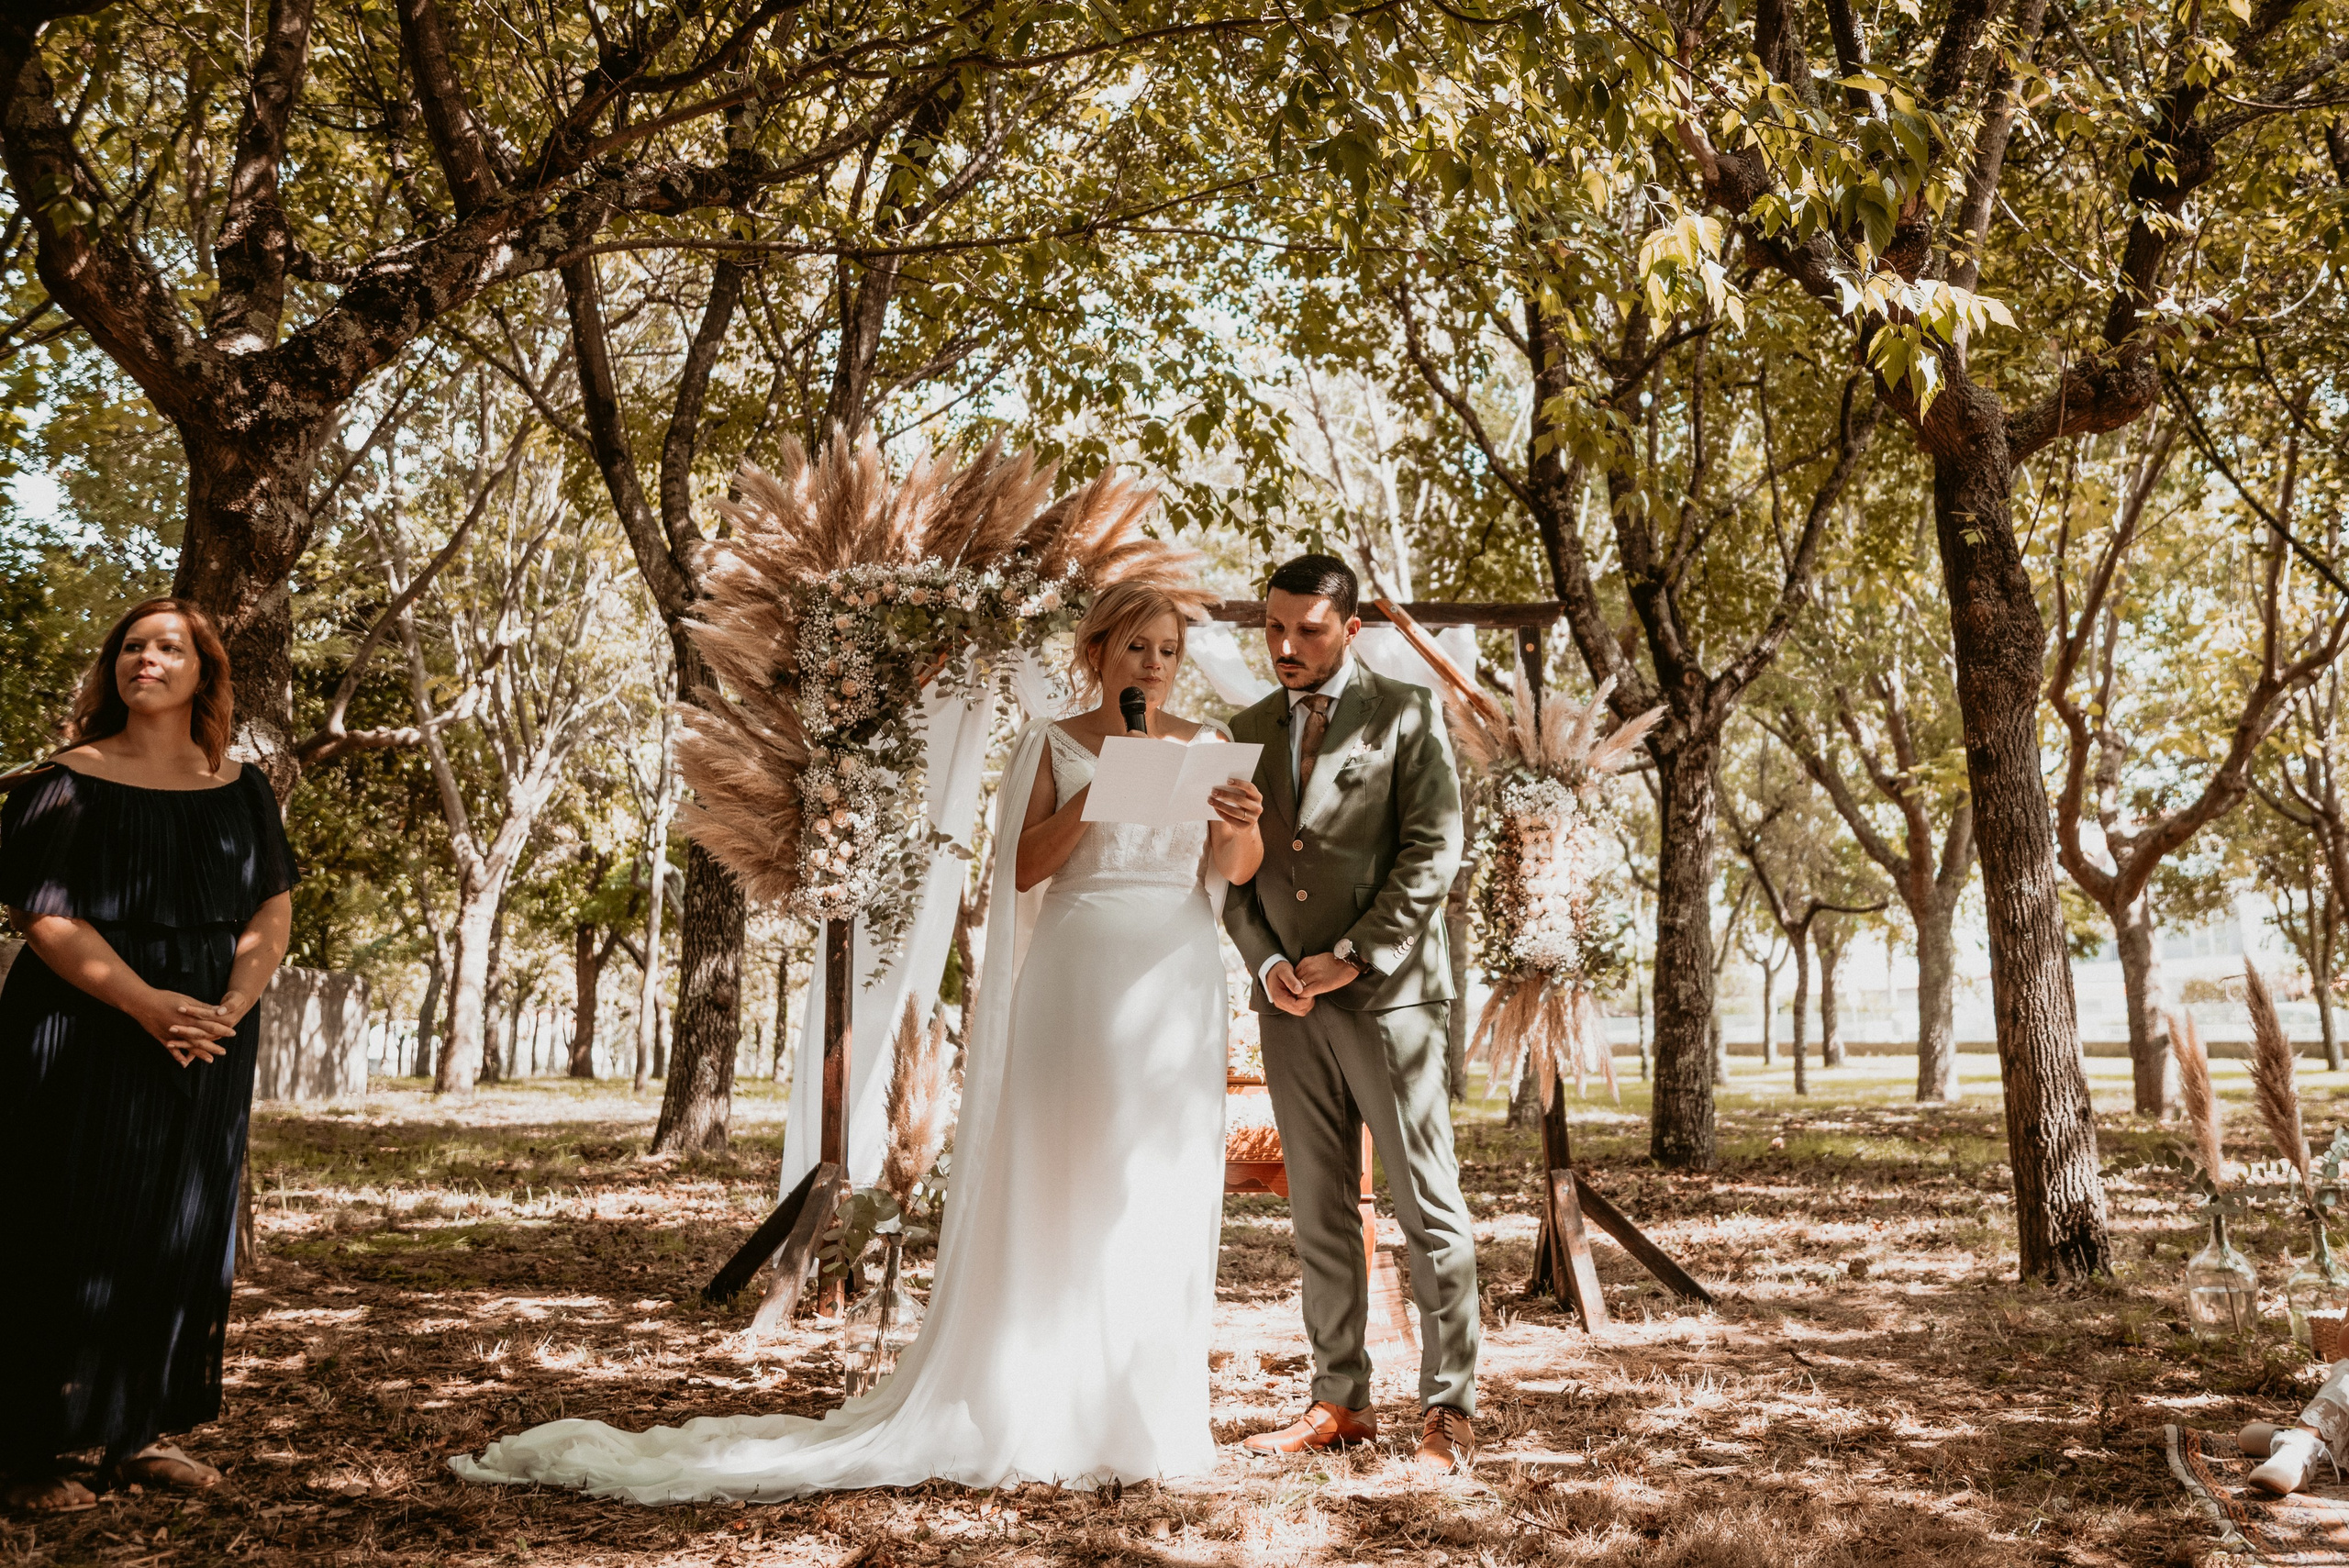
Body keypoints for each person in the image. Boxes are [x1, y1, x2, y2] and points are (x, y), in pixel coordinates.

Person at [452, 580, 1265, 1501]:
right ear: (1098, 651)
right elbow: (1020, 871)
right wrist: (1102, 793)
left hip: (1175, 984)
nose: (1152, 666)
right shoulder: (1052, 741)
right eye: (1135, 648)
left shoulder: (1208, 746)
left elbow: (1231, 868)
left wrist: (1242, 827)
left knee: (1155, 1184)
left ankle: (1141, 1412)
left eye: (1167, 651)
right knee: (1067, 1172)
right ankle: (1048, 1399)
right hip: (1077, 977)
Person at [0, 598, 297, 1510]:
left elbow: (271, 905)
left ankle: (136, 1432)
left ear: (205, 672)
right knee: (57, 1218)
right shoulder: (62, 780)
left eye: (169, 646)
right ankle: (25, 1450)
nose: (146, 658)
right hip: (83, 1022)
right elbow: (42, 914)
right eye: (131, 645)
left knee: (175, 1216)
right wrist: (145, 1002)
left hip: (206, 1034)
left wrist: (229, 1005)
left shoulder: (242, 788)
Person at [1220, 554, 1481, 1474]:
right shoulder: (1244, 730)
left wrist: (1357, 952)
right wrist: (1267, 963)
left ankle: (1448, 1408)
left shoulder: (1406, 713)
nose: (1286, 645)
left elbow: (1433, 848)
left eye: (1309, 629)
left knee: (1426, 1203)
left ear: (1350, 629)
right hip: (1289, 1004)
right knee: (1318, 1213)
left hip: (1389, 998)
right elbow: (1235, 874)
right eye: (1274, 627)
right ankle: (1340, 1399)